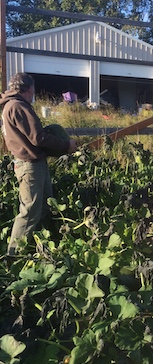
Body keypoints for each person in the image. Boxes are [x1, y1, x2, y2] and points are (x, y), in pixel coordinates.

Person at [0, 72, 78, 256]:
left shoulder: (11, 105)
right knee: (29, 212)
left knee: (44, 207)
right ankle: (13, 256)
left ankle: (39, 249)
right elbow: (38, 137)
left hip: (33, 164)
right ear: (28, 89)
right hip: (30, 166)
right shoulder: (18, 106)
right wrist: (66, 146)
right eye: (33, 88)